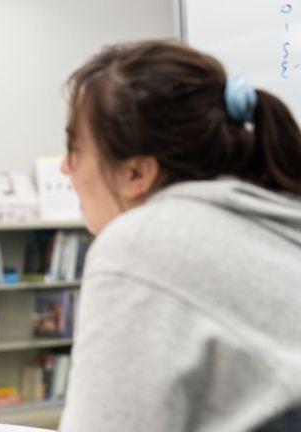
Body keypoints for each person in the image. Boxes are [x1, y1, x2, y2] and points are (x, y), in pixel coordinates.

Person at [58, 40, 301, 431]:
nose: (65, 169)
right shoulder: (276, 216)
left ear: (136, 174)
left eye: (75, 148)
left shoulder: (139, 243)